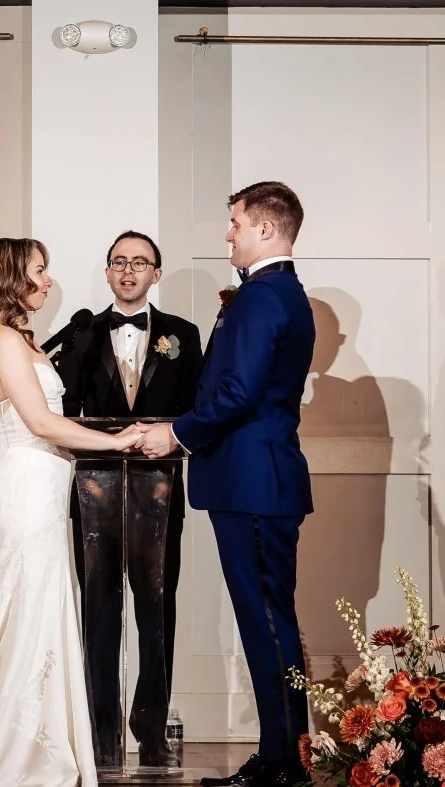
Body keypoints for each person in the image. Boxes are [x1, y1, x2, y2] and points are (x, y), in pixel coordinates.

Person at [0, 238, 148, 787]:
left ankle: (28, 737)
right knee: (16, 611)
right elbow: (42, 425)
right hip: (25, 492)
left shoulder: (15, 339)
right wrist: (120, 442)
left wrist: (82, 446)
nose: (48, 281)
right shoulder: (0, 340)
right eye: (39, 271)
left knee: (26, 612)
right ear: (10, 278)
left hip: (42, 488)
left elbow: (48, 430)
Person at [138, 182, 315, 787]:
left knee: (267, 622)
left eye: (235, 222)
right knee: (266, 621)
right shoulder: (271, 294)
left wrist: (176, 435)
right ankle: (280, 754)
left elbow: (237, 393)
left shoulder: (266, 297)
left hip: (254, 482)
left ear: (266, 229)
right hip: (251, 481)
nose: (227, 233)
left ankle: (286, 761)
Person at [52, 231, 202, 767]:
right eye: (119, 262)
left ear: (156, 273)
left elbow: (195, 407)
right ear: (108, 271)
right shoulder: (82, 334)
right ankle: (100, 731)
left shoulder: (183, 334)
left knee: (157, 605)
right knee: (98, 606)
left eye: (140, 262)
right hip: (92, 484)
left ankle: (152, 726)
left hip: (159, 485)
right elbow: (62, 404)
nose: (129, 271)